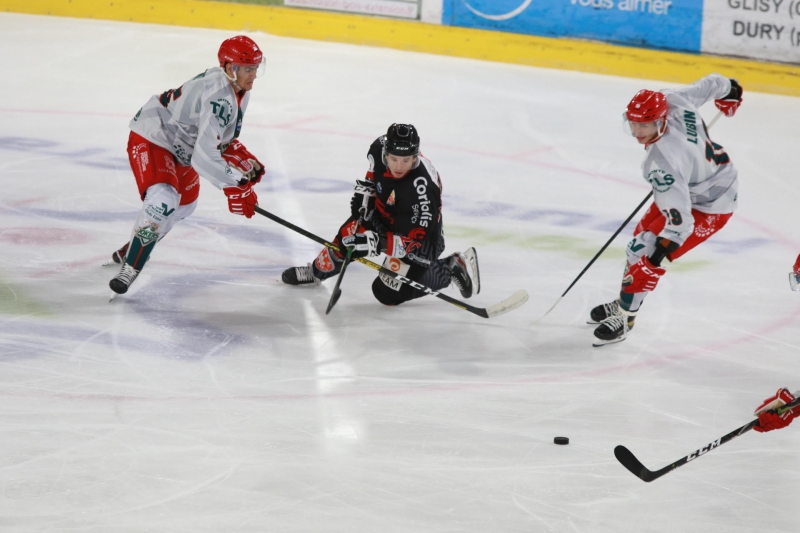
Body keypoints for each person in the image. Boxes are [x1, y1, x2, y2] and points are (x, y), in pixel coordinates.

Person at [590, 73, 743, 346]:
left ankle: (626, 317)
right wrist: (732, 90)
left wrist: (654, 259)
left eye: (645, 125)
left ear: (661, 119)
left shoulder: (661, 162)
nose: (638, 132)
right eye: (634, 124)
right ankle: (626, 298)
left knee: (643, 249)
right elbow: (715, 83)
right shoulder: (673, 99)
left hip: (711, 204)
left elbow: (680, 224)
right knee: (638, 243)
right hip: (703, 179)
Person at [107, 35, 266, 296]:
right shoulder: (220, 96)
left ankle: (134, 246)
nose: (254, 75)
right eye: (248, 68)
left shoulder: (238, 89)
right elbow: (203, 157)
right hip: (155, 136)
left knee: (184, 207)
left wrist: (234, 152)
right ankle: (130, 267)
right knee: (162, 201)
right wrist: (236, 186)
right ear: (229, 68)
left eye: (256, 68)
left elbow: (214, 134)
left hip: (183, 146)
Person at [281, 123, 480, 306]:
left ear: (415, 156)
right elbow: (372, 172)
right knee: (350, 234)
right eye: (394, 159)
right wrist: (366, 195)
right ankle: (316, 271)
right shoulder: (378, 147)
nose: (399, 166)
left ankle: (451, 267)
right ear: (385, 153)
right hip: (385, 213)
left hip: (418, 239)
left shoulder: (423, 192)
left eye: (406, 160)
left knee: (386, 293)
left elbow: (411, 242)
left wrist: (374, 243)